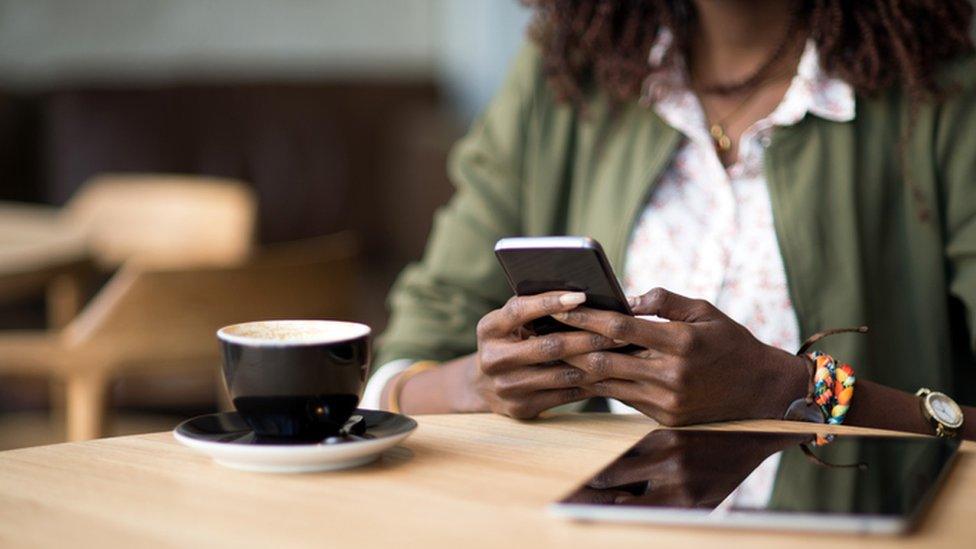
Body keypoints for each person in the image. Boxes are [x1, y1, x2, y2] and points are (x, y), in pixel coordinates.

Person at [361, 0, 976, 441]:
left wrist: (788, 390)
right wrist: (481, 384)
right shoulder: (567, 72)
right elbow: (401, 373)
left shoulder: (945, 95)